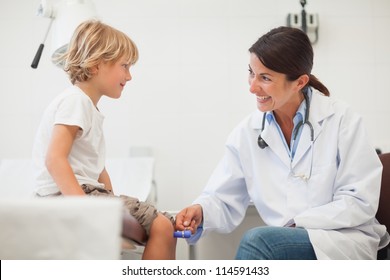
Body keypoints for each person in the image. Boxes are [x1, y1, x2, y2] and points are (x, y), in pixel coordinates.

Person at [175, 26, 390, 260]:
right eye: (251, 73)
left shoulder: (341, 120)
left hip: (341, 240)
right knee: (263, 242)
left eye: (265, 78)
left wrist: (299, 223)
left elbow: (359, 200)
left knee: (258, 242)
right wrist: (201, 211)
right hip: (285, 241)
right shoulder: (249, 132)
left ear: (299, 82)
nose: (252, 87)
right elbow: (222, 197)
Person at [32, 20, 176, 260]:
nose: (129, 76)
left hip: (86, 193)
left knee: (165, 223)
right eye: (125, 66)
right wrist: (89, 211)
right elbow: (54, 160)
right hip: (72, 197)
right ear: (98, 64)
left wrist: (112, 202)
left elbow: (98, 170)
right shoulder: (76, 102)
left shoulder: (86, 107)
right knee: (162, 226)